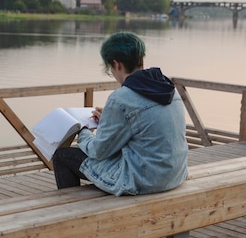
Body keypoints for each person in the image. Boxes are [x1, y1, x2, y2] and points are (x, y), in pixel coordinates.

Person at [52, 32, 188, 196]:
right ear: (140, 59)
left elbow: (98, 151)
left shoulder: (121, 98)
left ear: (116, 64)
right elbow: (145, 127)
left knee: (62, 156)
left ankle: (70, 212)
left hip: (143, 181)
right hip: (175, 174)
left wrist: (83, 131)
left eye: (110, 68)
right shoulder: (169, 89)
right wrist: (107, 121)